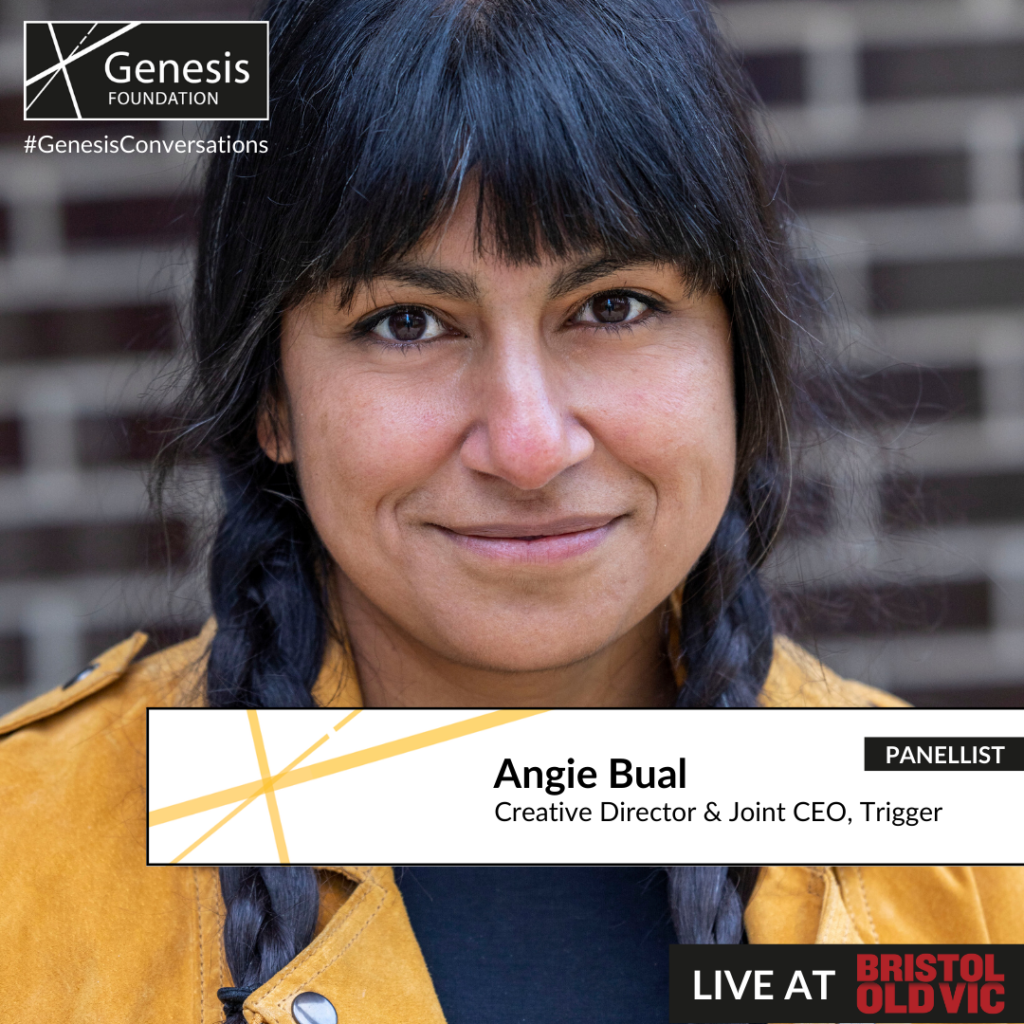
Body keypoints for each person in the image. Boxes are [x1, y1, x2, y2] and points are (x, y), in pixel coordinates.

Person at [1, 0, 1020, 1021]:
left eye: (612, 307)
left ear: (736, 361)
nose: (528, 447)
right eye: (407, 323)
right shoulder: (28, 855)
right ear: (272, 396)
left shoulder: (961, 864)